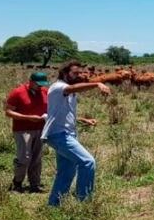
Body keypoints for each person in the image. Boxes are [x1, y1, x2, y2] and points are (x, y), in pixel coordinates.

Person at [42, 61, 111, 207]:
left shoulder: (68, 91)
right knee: (87, 162)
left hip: (66, 134)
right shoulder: (59, 86)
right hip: (59, 135)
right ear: (65, 74)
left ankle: (54, 205)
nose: (79, 75)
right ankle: (84, 203)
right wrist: (97, 84)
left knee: (66, 172)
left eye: (80, 73)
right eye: (75, 73)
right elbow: (72, 88)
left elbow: (60, 113)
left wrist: (82, 120)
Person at [4, 71, 49, 193]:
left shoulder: (45, 92)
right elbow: (8, 112)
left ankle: (35, 184)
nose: (40, 87)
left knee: (37, 157)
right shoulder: (18, 92)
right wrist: (28, 117)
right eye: (38, 84)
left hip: (40, 128)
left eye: (42, 84)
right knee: (24, 157)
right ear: (31, 82)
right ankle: (17, 183)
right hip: (23, 129)